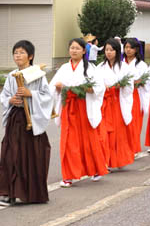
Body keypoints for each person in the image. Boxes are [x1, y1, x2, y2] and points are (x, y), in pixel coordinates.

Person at [0, 40, 53, 206]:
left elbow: (47, 97)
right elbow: (4, 95)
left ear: (30, 56)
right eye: (15, 53)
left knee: (31, 156)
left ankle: (33, 193)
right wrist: (10, 100)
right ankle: (8, 192)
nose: (18, 56)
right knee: (10, 155)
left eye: (21, 52)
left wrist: (30, 93)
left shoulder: (37, 75)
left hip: (31, 121)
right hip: (16, 119)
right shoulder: (11, 75)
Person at [49, 38, 108, 188]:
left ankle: (95, 169)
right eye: (72, 48)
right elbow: (52, 87)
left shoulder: (91, 69)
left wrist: (84, 89)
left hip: (84, 106)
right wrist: (57, 88)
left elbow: (99, 87)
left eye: (77, 48)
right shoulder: (63, 68)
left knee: (89, 140)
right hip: (69, 108)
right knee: (68, 142)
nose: (74, 50)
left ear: (84, 51)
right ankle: (68, 175)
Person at [97, 38, 134, 169]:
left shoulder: (124, 67)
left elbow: (129, 86)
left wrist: (119, 86)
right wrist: (103, 87)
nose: (109, 52)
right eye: (106, 50)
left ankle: (118, 160)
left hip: (118, 102)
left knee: (118, 133)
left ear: (117, 51)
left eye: (111, 50)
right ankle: (105, 160)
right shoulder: (100, 67)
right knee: (104, 133)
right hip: (104, 103)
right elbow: (95, 84)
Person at [123, 38, 150, 155]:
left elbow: (147, 81)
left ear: (136, 50)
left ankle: (133, 147)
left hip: (135, 95)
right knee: (124, 123)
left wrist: (137, 82)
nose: (128, 50)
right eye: (126, 47)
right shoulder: (120, 63)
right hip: (123, 95)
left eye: (131, 48)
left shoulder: (141, 65)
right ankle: (124, 148)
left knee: (134, 122)